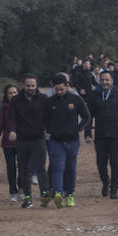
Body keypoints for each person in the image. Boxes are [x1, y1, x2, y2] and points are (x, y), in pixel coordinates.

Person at [43, 72, 89, 208]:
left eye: (61, 89)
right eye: (56, 89)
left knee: (70, 168)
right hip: (56, 141)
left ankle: (69, 194)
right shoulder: (50, 101)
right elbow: (44, 119)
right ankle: (58, 193)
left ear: (67, 86)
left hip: (72, 140)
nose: (59, 92)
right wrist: (49, 129)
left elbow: (86, 115)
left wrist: (79, 128)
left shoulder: (76, 100)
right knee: (58, 167)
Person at [86, 69, 118, 198]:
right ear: (99, 81)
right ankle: (105, 183)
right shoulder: (94, 95)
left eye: (107, 80)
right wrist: (87, 133)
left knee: (115, 163)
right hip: (101, 135)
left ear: (112, 81)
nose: (105, 82)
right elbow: (89, 116)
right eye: (102, 80)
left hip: (117, 135)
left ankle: (114, 188)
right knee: (101, 163)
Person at [10, 74, 50, 209]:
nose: (30, 88)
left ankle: (44, 195)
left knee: (40, 169)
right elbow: (12, 118)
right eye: (28, 86)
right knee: (24, 170)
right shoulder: (16, 101)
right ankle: (28, 198)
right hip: (22, 140)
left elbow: (50, 115)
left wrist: (47, 128)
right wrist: (12, 130)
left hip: (39, 138)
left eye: (33, 86)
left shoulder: (44, 99)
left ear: (36, 85)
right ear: (23, 85)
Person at [0, 83, 21, 203]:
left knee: (23, 167)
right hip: (8, 144)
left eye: (14, 92)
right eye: (10, 93)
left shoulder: (23, 106)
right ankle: (13, 192)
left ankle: (22, 188)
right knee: (11, 168)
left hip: (22, 142)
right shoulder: (3, 109)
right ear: (6, 95)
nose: (12, 95)